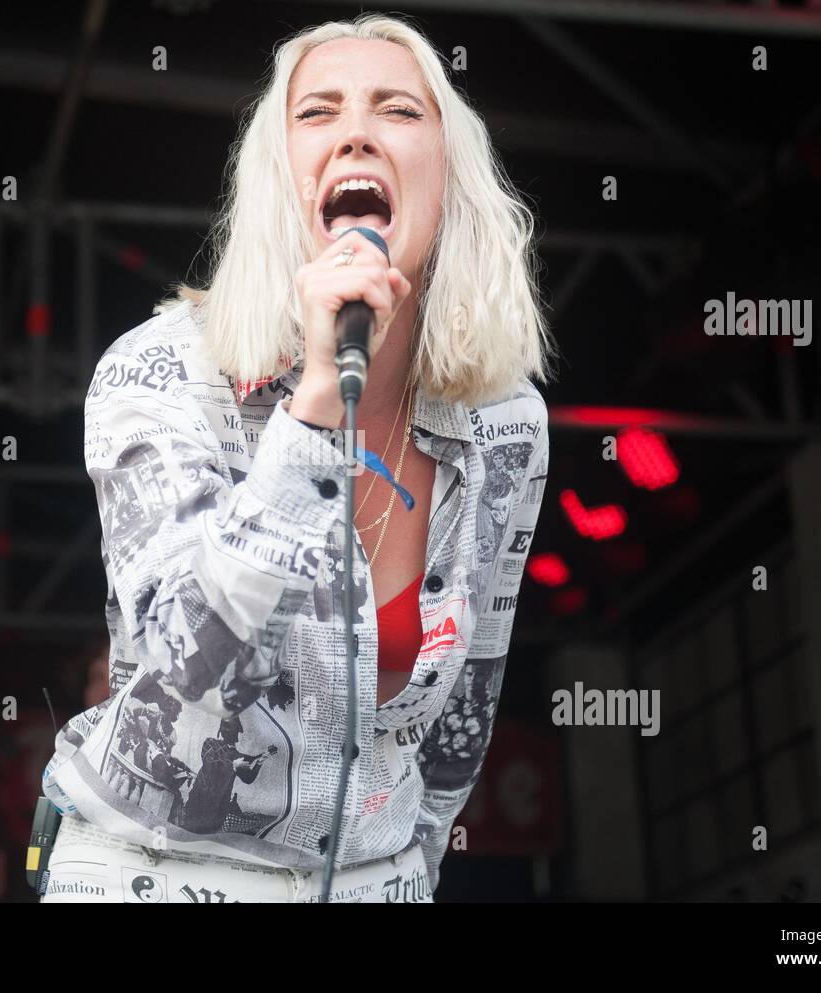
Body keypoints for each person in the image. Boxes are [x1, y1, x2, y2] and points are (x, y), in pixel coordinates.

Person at [40, 13, 553, 904]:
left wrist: (408, 877)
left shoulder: (505, 421)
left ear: (450, 177)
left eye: (398, 109)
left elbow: (465, 709)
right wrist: (314, 410)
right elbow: (177, 663)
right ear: (280, 183)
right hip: (153, 871)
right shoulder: (162, 371)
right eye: (318, 111)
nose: (358, 128)